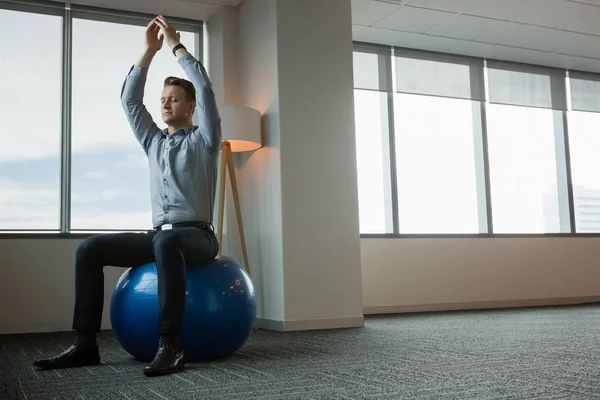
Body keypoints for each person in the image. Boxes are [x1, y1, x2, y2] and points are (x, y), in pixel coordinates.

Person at [33, 15, 221, 377]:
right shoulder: (153, 142)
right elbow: (130, 101)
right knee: (89, 249)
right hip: (160, 236)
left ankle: (171, 346)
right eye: (163, 99)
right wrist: (148, 53)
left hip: (198, 236)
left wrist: (175, 46)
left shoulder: (204, 141)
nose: (165, 105)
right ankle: (86, 344)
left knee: (168, 244)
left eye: (175, 99)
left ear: (191, 107)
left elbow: (206, 89)